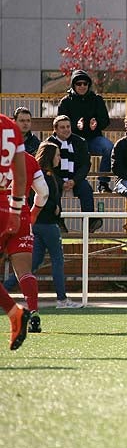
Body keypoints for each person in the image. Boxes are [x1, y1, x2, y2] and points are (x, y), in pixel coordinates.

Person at [31, 142, 82, 310]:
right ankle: (62, 299)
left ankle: (6, 288)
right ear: (50, 155)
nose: (59, 158)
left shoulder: (42, 173)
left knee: (33, 262)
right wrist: (54, 207)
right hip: (48, 224)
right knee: (58, 261)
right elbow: (42, 196)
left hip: (38, 224)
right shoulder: (46, 175)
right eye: (58, 155)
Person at [3, 147, 48, 331]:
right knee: (24, 272)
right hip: (20, 215)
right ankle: (33, 313)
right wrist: (34, 214)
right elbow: (43, 192)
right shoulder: (28, 159)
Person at [0, 112, 31, 350]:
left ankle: (14, 312)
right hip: (4, 205)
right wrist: (14, 211)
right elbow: (20, 178)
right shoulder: (11, 128)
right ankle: (14, 313)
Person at [57, 69, 114, 192]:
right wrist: (74, 126)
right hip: (73, 140)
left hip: (93, 139)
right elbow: (59, 122)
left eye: (85, 84)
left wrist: (96, 124)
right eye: (78, 84)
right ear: (73, 85)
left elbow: (105, 120)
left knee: (108, 147)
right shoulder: (66, 102)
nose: (82, 86)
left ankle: (103, 183)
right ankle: (74, 181)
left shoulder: (96, 99)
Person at [47, 114, 101, 233]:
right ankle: (58, 222)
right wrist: (61, 182)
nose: (66, 129)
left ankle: (90, 222)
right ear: (55, 129)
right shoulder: (48, 144)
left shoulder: (80, 142)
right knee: (52, 188)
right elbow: (46, 167)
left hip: (75, 179)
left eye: (68, 126)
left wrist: (74, 181)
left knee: (86, 189)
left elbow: (85, 164)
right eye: (62, 127)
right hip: (56, 179)